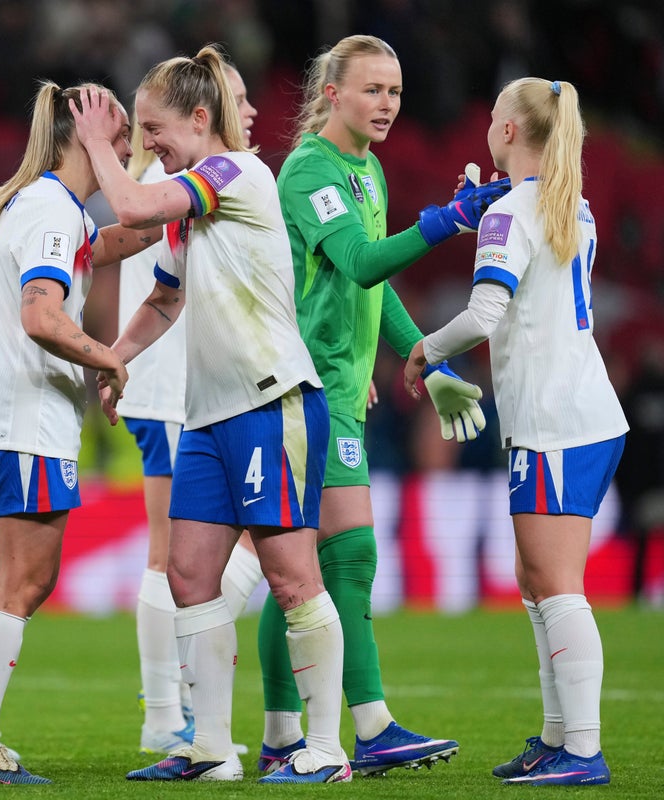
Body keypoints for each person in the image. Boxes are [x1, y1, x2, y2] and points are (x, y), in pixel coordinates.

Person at [73, 45, 349, 784]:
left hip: (270, 402)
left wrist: (98, 143)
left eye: (155, 129)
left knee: (292, 578)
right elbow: (165, 298)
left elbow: (131, 207)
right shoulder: (191, 210)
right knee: (189, 576)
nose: (148, 143)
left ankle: (326, 749)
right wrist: (116, 358)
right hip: (207, 416)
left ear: (200, 119)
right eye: (141, 131)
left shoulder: (235, 172)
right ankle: (211, 749)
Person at [255, 34, 506, 778]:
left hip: (340, 387)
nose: (387, 103)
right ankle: (371, 727)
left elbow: (372, 286)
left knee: (298, 568)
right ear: (331, 94)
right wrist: (445, 221)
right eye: (372, 90)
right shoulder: (311, 170)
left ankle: (280, 735)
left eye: (394, 91)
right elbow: (362, 262)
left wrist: (425, 356)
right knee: (349, 555)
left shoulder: (367, 170)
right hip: (309, 386)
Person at [0, 80, 156, 785]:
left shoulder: (57, 210)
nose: (129, 148)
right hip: (24, 416)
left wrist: (172, 215)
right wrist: (108, 357)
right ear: (85, 137)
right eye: (121, 135)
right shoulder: (53, 210)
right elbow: (41, 315)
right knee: (23, 578)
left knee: (23, 577)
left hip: (20, 415)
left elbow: (109, 242)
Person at [404, 77, 627, 787]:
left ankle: (582, 750)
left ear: (506, 132)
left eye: (494, 116)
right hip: (576, 412)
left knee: (555, 583)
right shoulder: (569, 204)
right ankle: (559, 739)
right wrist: (490, 212)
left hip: (555, 419)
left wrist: (424, 350)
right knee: (536, 580)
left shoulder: (513, 211)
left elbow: (484, 315)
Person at [120, 60, 260, 757]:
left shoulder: (185, 175)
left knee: (193, 553)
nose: (249, 111)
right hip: (178, 390)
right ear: (204, 110)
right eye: (238, 98)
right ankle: (167, 703)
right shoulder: (177, 181)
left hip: (174, 385)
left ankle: (170, 701)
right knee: (185, 555)